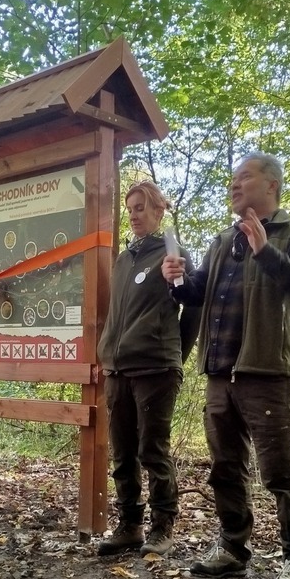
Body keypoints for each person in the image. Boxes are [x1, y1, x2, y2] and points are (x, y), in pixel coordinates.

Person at [162, 152, 290, 579]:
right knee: (225, 467)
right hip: (219, 373)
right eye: (233, 179)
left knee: (280, 470)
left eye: (245, 177)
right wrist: (177, 278)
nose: (235, 185)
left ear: (270, 185)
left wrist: (266, 251)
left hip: (265, 372)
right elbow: (196, 294)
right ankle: (233, 548)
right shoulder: (222, 241)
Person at [96, 180, 200, 557]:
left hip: (155, 368)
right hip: (118, 369)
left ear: (158, 211)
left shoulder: (172, 254)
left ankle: (162, 528)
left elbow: (194, 306)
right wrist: (107, 355)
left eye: (141, 207)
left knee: (152, 450)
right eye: (130, 207)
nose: (134, 214)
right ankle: (130, 526)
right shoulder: (124, 259)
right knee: (122, 453)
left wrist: (174, 355)